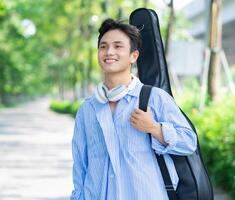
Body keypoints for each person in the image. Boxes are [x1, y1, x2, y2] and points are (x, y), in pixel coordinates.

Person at [71, 18, 197, 200]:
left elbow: (189, 142)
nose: (109, 52)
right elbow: (80, 164)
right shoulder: (88, 109)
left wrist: (155, 128)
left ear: (133, 56)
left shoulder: (154, 98)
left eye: (117, 46)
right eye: (103, 46)